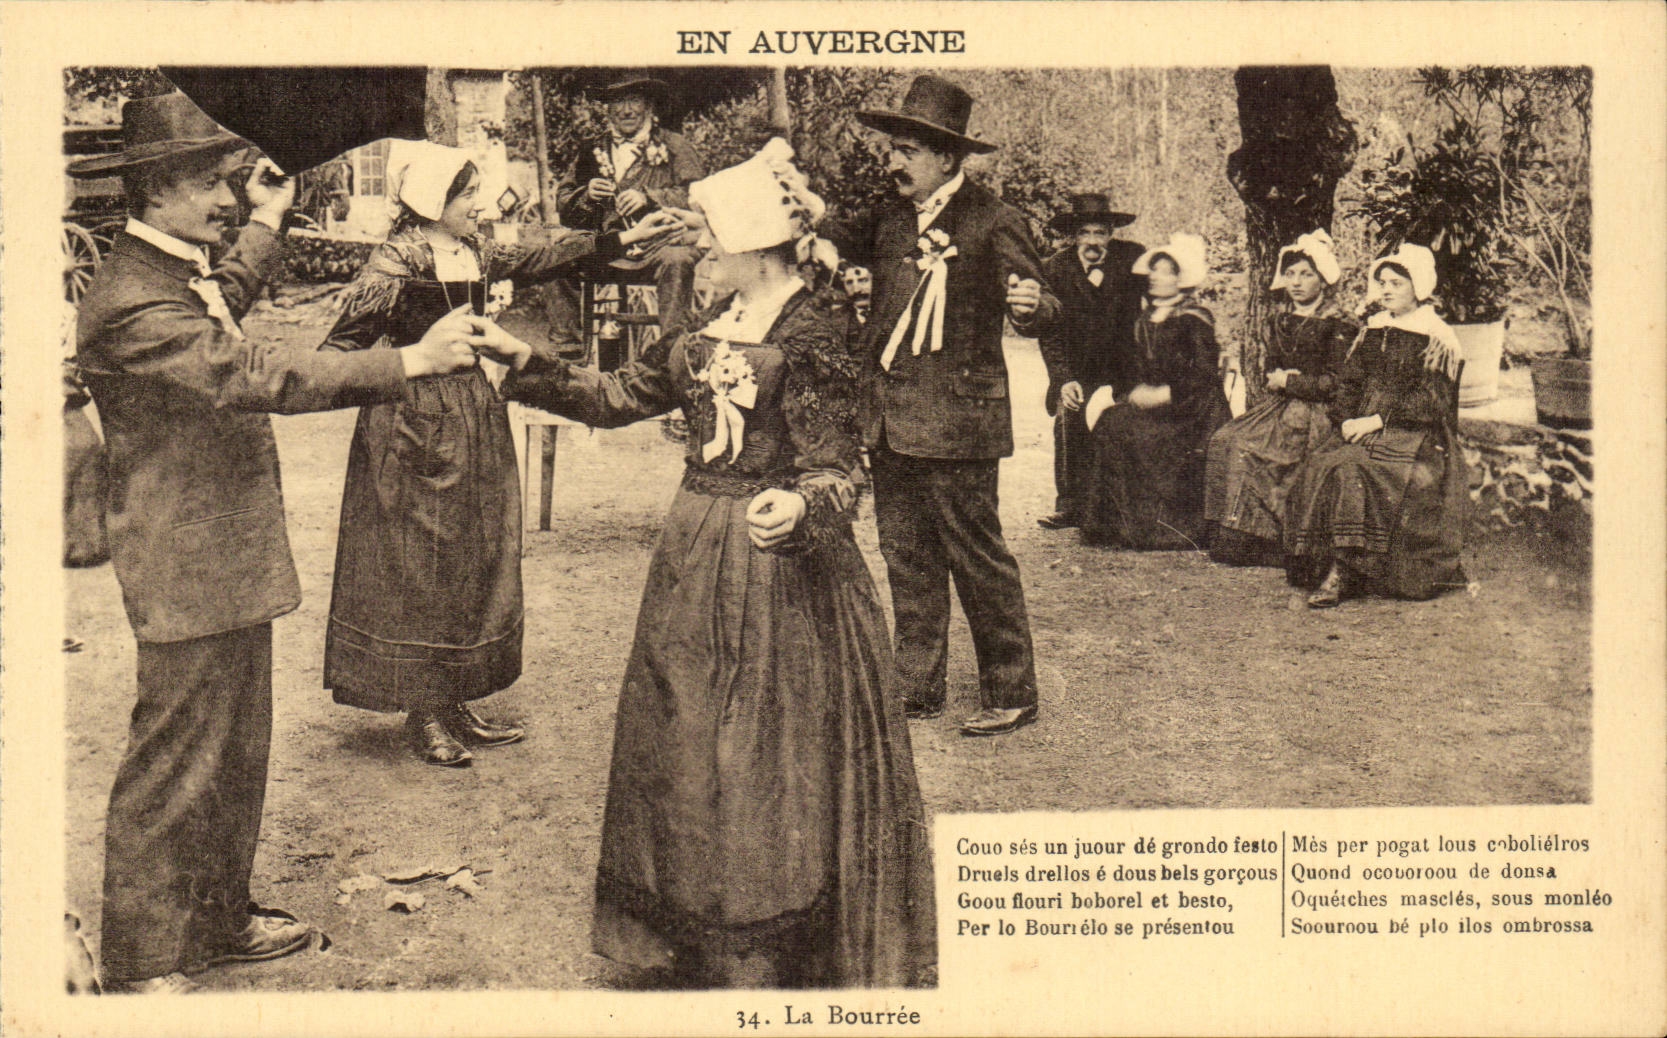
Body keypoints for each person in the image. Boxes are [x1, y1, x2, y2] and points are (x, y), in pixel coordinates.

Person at [473, 139, 935, 988]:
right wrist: (523, 363)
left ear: (753, 246)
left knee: (759, 748)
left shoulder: (815, 331)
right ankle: (693, 924)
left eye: (710, 242)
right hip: (692, 552)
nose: (698, 256)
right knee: (684, 730)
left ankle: (762, 934)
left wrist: (801, 504)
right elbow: (616, 397)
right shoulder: (701, 330)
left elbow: (839, 466)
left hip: (778, 572)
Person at [71, 92, 485, 993]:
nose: (228, 197)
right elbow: (252, 371)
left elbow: (231, 297)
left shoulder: (173, 270)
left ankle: (217, 919)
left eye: (231, 180)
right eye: (213, 183)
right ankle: (144, 958)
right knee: (178, 759)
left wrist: (266, 217)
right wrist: (408, 361)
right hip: (185, 565)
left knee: (234, 751)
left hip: (223, 559)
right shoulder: (131, 302)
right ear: (155, 188)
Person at [318, 142, 680, 766]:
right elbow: (334, 353)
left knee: (471, 551)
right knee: (420, 562)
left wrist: (623, 241)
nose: (477, 206)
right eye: (465, 196)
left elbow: (546, 252)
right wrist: (403, 369)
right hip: (409, 428)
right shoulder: (396, 262)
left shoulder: (478, 248)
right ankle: (423, 709)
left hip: (475, 416)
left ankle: (455, 697)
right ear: (432, 203)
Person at [850, 74, 1058, 737]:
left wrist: (1030, 308)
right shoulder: (884, 218)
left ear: (947, 157)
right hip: (890, 421)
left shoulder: (994, 219)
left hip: (960, 426)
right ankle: (916, 686)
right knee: (904, 554)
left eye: (908, 150)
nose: (894, 161)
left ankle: (1011, 689)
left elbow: (1046, 301)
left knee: (976, 557)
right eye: (893, 148)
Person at [1285, 243, 1469, 607]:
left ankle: (1345, 571)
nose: (1386, 290)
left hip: (1416, 436)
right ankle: (1324, 564)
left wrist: (1376, 419)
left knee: (1354, 469)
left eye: (1396, 283)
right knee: (1322, 464)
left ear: (1417, 287)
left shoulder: (1437, 335)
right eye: (1382, 282)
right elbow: (1348, 384)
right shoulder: (1374, 328)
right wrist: (1347, 418)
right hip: (1366, 427)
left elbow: (1432, 402)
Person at [1203, 229, 1357, 565]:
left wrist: (1291, 382)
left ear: (1323, 279)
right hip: (1282, 406)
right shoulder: (1281, 319)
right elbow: (1273, 367)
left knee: (1250, 448)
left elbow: (1339, 382)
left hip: (1319, 413)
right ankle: (1232, 536)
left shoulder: (1339, 324)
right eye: (1290, 274)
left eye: (1306, 274)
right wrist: (1279, 380)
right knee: (1225, 439)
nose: (1297, 282)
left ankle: (1271, 543)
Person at [1081, 232, 1232, 550]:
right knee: (1111, 421)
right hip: (1159, 404)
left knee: (1140, 433)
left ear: (1181, 279)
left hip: (1194, 411)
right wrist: (1135, 390)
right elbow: (1133, 368)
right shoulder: (1145, 319)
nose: (1154, 276)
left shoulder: (1194, 320)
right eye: (1154, 269)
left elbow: (1203, 377)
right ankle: (1114, 525)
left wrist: (1164, 395)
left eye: (1165, 271)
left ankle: (1162, 527)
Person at [547, 74, 706, 363]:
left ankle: (672, 357)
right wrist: (586, 195)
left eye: (633, 100)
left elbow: (699, 197)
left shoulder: (674, 146)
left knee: (678, 259)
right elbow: (563, 202)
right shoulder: (591, 150)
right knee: (558, 253)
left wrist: (651, 197)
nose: (627, 110)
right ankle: (567, 356)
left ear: (648, 105)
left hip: (658, 248)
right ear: (607, 108)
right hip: (607, 248)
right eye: (618, 102)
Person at [1036, 191, 1145, 531]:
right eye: (1085, 233)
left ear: (1111, 235)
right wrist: (1062, 378)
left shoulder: (1133, 259)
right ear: (1074, 236)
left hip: (1126, 365)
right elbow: (1049, 332)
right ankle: (1069, 504)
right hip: (1078, 367)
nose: (1093, 241)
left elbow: (1161, 298)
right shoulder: (1054, 268)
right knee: (1069, 416)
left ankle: (1129, 506)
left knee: (1132, 422)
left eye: (1100, 232)